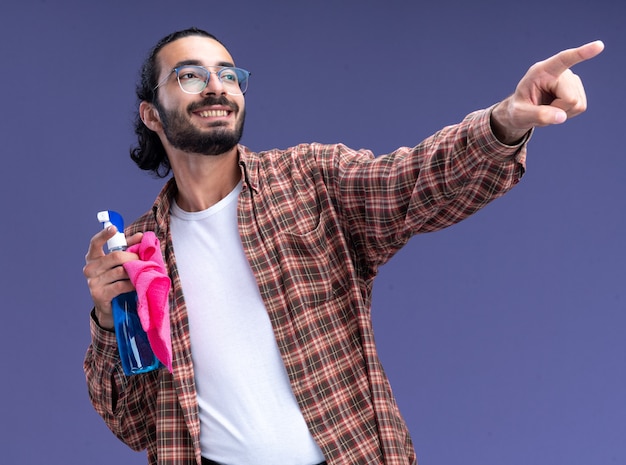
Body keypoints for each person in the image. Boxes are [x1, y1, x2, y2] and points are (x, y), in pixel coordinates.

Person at [83, 27, 604, 465]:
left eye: (228, 74)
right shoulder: (141, 256)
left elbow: (414, 182)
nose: (217, 87)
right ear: (152, 114)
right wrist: (108, 320)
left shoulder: (312, 180)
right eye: (191, 75)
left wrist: (506, 121)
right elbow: (135, 424)